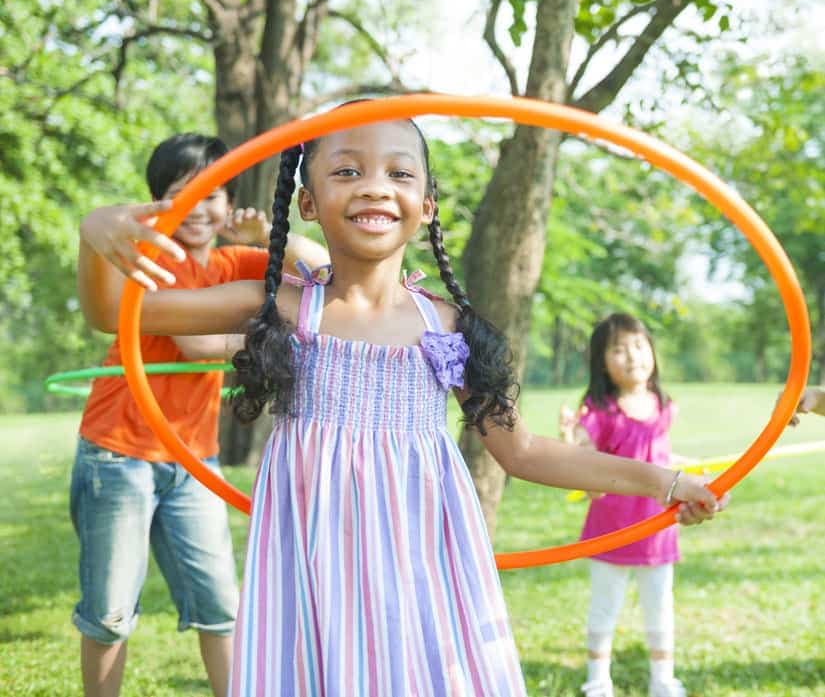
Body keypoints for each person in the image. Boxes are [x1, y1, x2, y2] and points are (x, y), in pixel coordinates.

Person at [81, 117, 727, 697]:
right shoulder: (276, 306)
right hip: (315, 569)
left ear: (427, 203)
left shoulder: (446, 326)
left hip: (419, 573)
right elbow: (112, 312)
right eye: (346, 171)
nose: (373, 187)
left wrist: (664, 482)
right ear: (307, 202)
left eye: (398, 172)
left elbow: (524, 451)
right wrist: (93, 233)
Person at [72, 132, 327, 697]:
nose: (196, 207)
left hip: (192, 458)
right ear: (155, 205)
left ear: (229, 202)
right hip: (118, 452)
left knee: (221, 606)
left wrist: (272, 238)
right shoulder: (151, 261)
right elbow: (198, 346)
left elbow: (325, 271)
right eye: (179, 193)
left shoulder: (237, 262)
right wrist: (271, 340)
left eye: (210, 193)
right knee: (110, 611)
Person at [559, 313, 691, 697]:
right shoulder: (600, 412)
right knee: (605, 607)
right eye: (618, 349)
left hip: (657, 530)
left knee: (660, 607)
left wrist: (685, 472)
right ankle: (598, 682)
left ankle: (663, 680)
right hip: (612, 530)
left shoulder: (663, 406)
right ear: (602, 362)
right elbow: (586, 465)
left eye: (638, 345)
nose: (632, 355)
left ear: (652, 351)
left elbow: (659, 455)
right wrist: (570, 437)